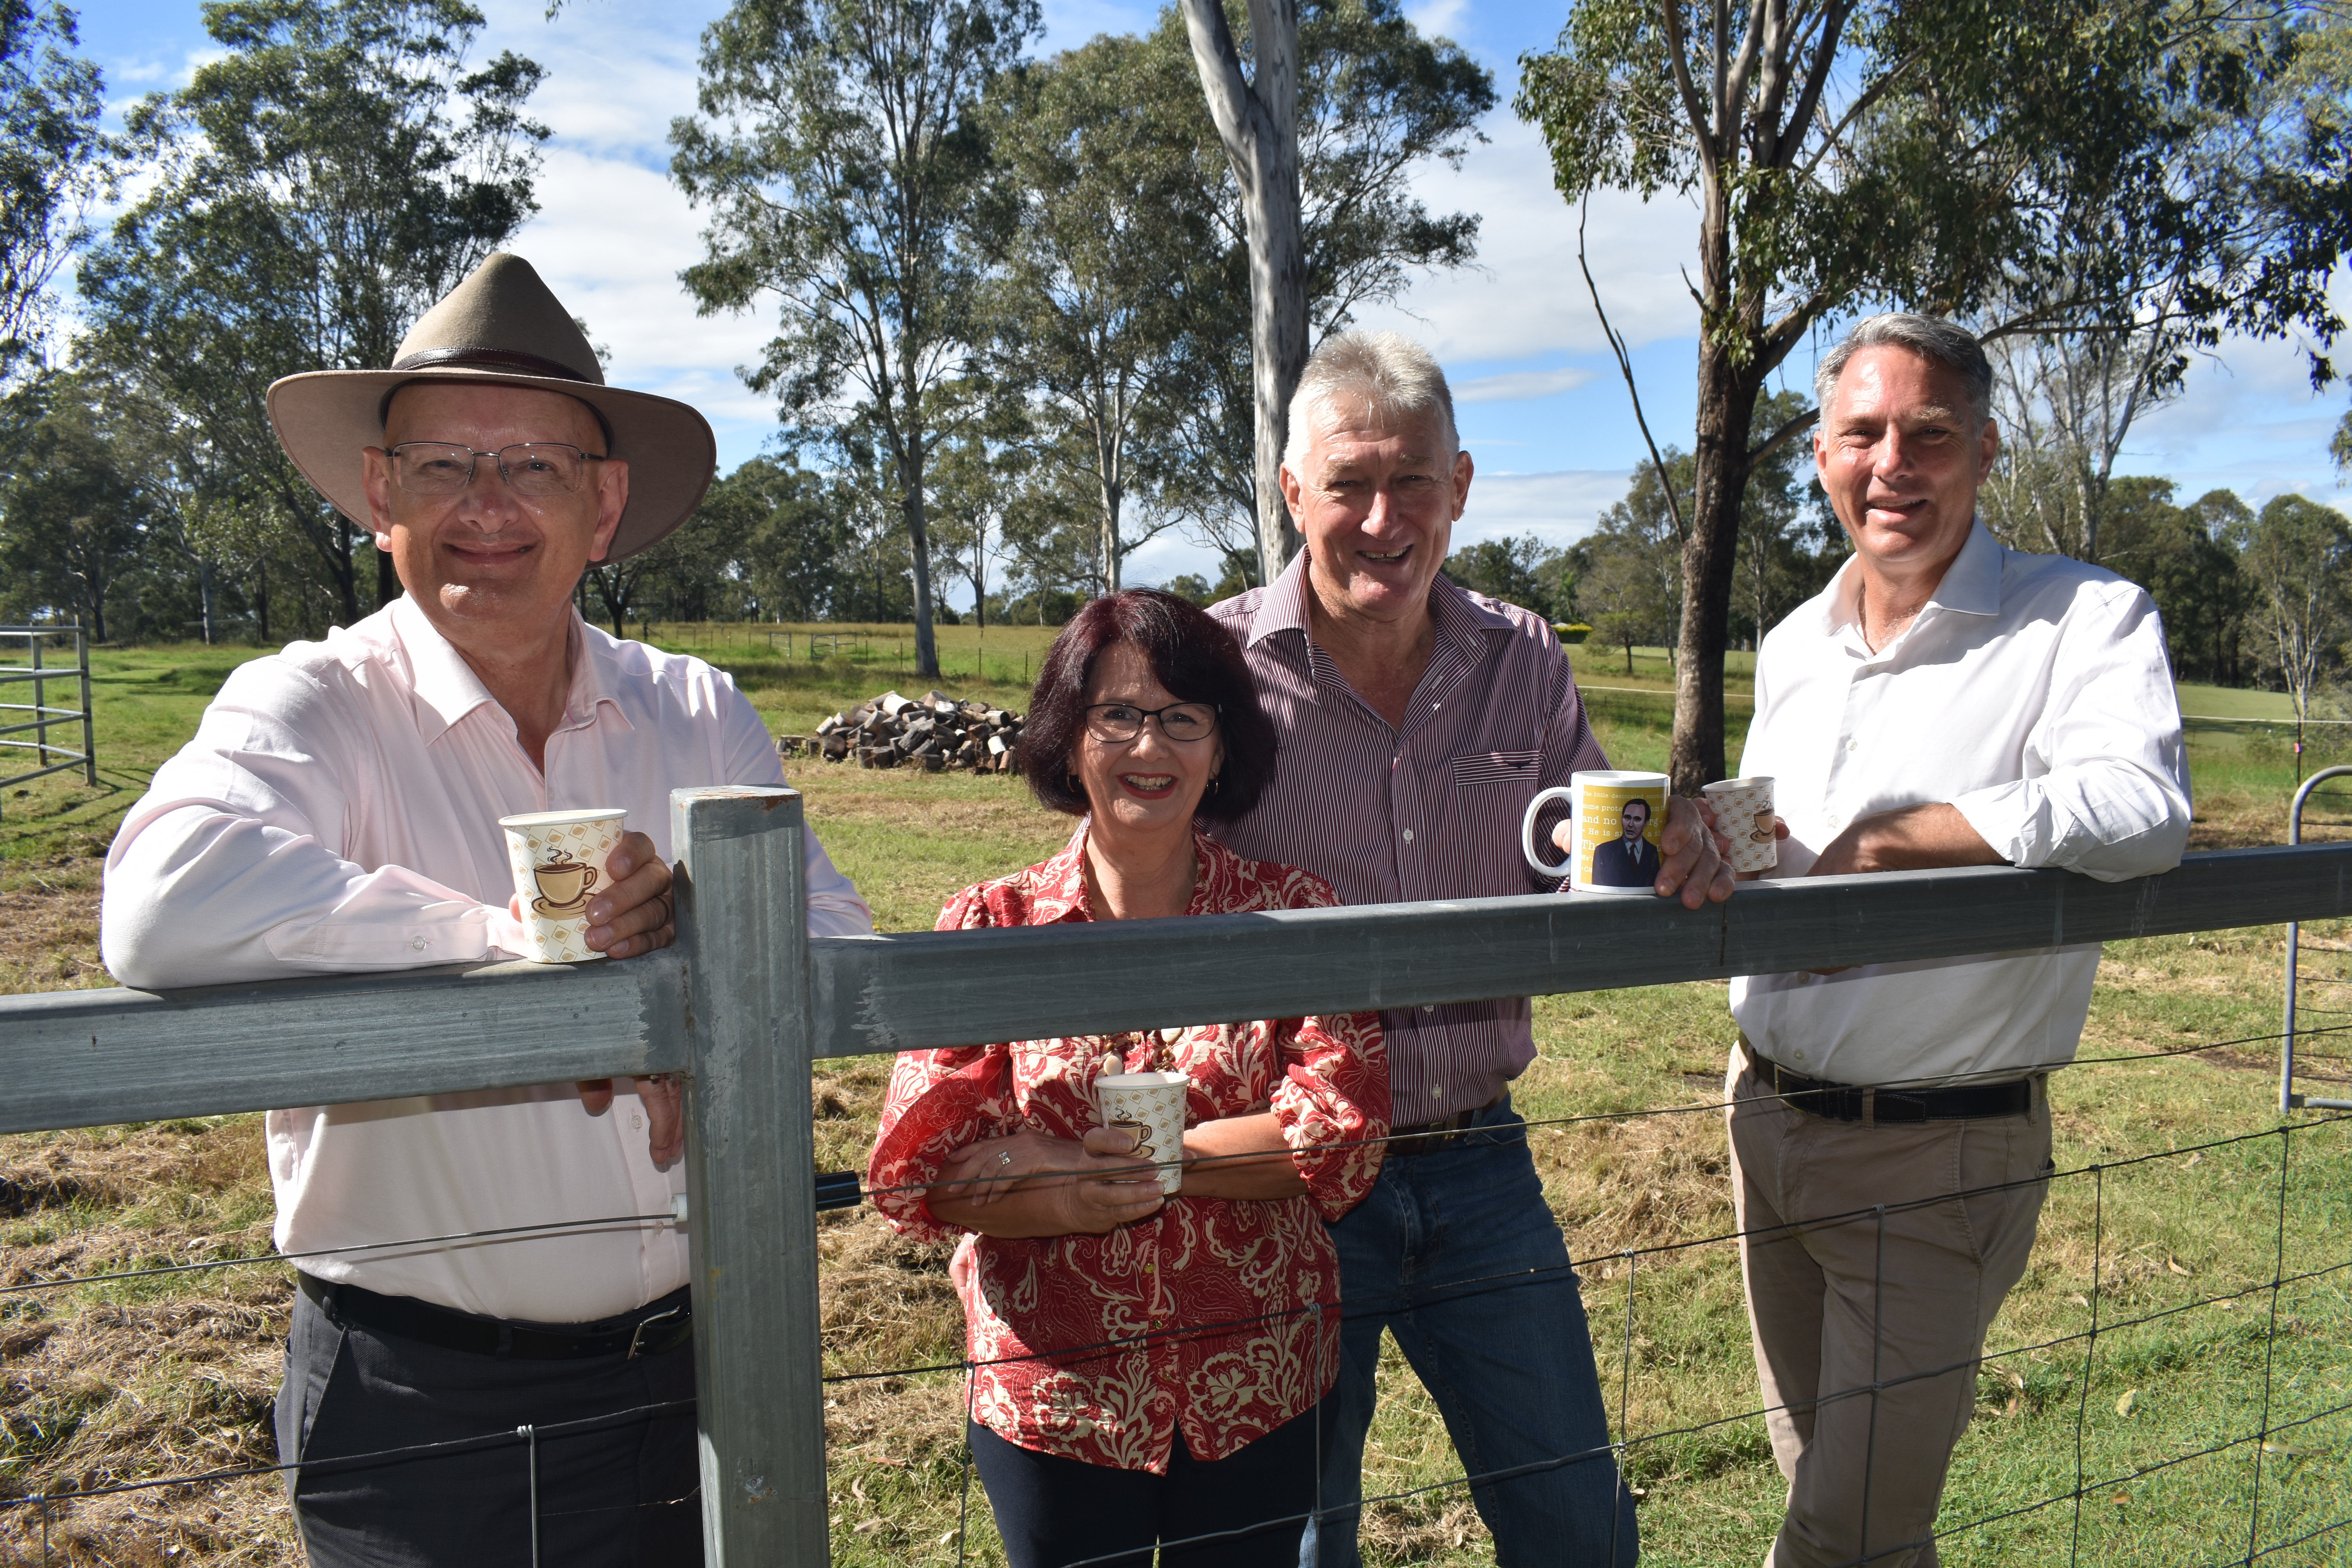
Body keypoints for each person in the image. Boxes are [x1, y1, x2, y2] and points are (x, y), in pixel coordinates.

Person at [98, 254, 874, 1567]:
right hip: (418, 1411)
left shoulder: (695, 708)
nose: (487, 507)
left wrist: (693, 952)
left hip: (693, 1377)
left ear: (606, 503)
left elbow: (839, 945)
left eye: (533, 465)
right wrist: (516, 960)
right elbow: (163, 899)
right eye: (445, 466)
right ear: (380, 495)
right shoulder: (311, 704)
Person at [1204, 329, 1735, 1568]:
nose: (1381, 517)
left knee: (1577, 1529)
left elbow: (1595, 845)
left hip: (1481, 1162)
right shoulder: (1214, 671)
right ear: (1292, 493)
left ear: (1461, 486)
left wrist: (1686, 837)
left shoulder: (1520, 657)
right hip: (1290, 1178)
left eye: (1413, 482)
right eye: (1347, 484)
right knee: (1294, 1539)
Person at [1727, 313, 2191, 1568]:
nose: (1894, 464)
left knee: (1839, 1527)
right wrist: (1708, 847)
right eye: (1861, 434)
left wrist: (1899, 837)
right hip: (1762, 1125)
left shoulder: (2079, 620)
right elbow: (1776, 834)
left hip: (1933, 1146)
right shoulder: (1792, 644)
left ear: (1982, 450)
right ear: (1819, 456)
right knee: (1835, 1496)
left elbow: (2141, 810)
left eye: (1928, 434)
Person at [867, 590, 1388, 1568]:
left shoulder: (1295, 915)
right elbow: (920, 1168)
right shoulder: (994, 926)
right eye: (1118, 714)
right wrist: (1063, 1177)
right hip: (1054, 1398)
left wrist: (1128, 1165)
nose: (1151, 747)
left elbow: (1341, 1131)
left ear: (1223, 748)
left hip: (1260, 1385)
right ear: (1070, 741)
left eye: (1183, 718)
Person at [1588, 797, 1662, 888]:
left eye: (1637, 819)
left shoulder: (1652, 851)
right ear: (1622, 819)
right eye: (1627, 818)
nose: (1631, 824)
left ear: (1646, 823)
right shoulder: (1604, 851)